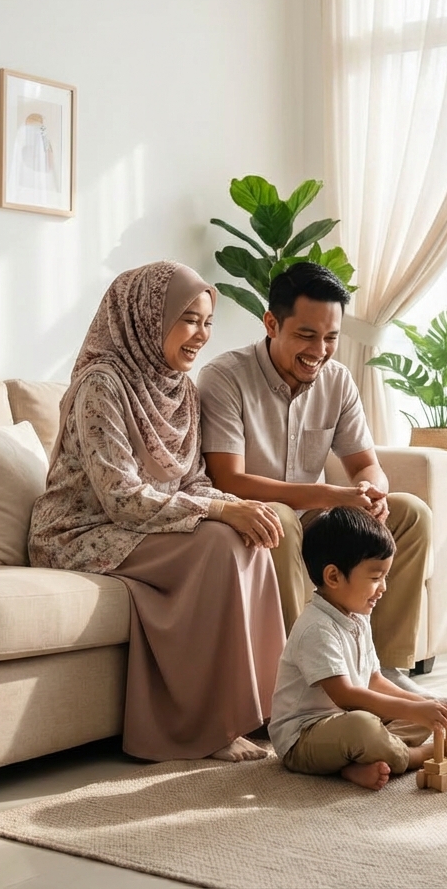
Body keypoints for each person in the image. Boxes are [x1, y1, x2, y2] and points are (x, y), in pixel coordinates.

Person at [29, 261, 286, 763]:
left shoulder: (180, 390)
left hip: (140, 525)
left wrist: (234, 506)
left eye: (208, 321)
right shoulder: (100, 385)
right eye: (189, 319)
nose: (201, 334)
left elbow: (192, 481)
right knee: (217, 542)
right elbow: (121, 495)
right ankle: (205, 728)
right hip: (78, 532)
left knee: (246, 533)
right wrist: (218, 514)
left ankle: (272, 709)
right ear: (146, 316)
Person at [198, 262, 432, 682]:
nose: (319, 350)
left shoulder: (337, 381)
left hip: (318, 519)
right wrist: (333, 497)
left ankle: (388, 669)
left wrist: (372, 491)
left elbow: (366, 464)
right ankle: (306, 679)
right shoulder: (224, 378)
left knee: (411, 513)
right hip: (250, 517)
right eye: (306, 335)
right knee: (280, 520)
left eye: (331, 338)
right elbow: (227, 480)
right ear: (272, 323)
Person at [269, 507, 447, 790]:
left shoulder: (358, 617)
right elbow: (346, 696)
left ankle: (356, 764)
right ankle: (411, 756)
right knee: (363, 727)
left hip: (347, 723)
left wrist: (422, 706)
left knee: (429, 708)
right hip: (304, 738)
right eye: (375, 578)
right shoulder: (316, 628)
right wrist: (414, 709)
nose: (383, 588)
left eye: (385, 577)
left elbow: (374, 680)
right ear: (333, 577)